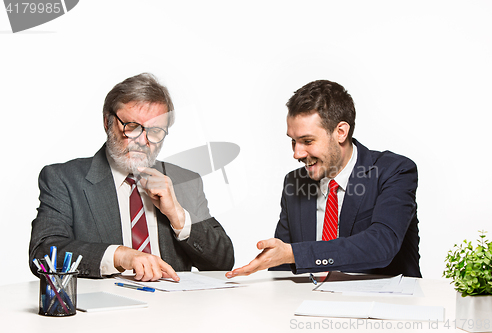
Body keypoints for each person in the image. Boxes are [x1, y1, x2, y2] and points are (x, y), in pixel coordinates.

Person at [29, 73, 234, 281]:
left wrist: (178, 216)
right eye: (133, 127)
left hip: (174, 308)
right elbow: (43, 252)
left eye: (155, 131)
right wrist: (120, 255)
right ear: (107, 121)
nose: (143, 141)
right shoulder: (63, 179)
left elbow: (223, 262)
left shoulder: (185, 180)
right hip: (106, 309)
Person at [226, 80, 421, 279]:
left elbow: (381, 245)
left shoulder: (394, 171)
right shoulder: (295, 182)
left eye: (307, 141)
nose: (297, 153)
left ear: (341, 132)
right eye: (293, 141)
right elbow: (282, 265)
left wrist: (295, 254)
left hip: (383, 305)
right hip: (310, 303)